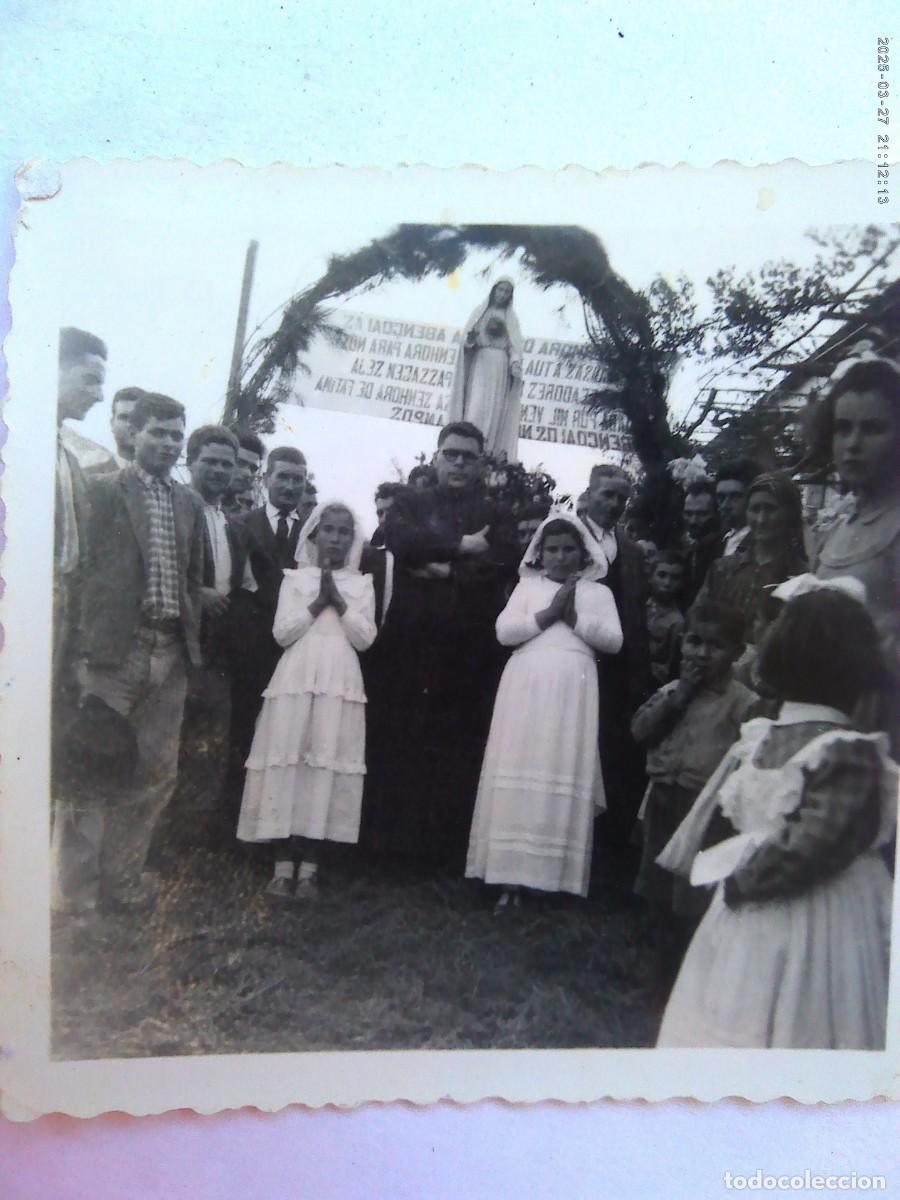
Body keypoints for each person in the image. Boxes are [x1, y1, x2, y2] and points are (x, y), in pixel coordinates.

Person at [655, 584, 897, 1049]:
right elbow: (813, 845)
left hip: (761, 905)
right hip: (817, 916)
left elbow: (803, 838)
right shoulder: (843, 750)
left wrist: (740, 880)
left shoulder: (768, 739)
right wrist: (744, 880)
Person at [58, 392, 205, 912]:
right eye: (157, 432)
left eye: (175, 434)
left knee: (154, 773)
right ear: (133, 435)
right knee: (92, 769)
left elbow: (192, 580)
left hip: (169, 652)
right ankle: (76, 897)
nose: (167, 443)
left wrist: (186, 645)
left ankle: (122, 883)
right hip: (114, 653)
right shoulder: (102, 492)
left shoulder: (188, 503)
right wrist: (81, 651)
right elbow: (76, 578)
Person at [367, 421, 520, 870]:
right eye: (451, 453)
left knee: (456, 743)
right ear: (435, 457)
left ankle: (446, 850)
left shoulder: (497, 511)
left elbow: (499, 563)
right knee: (400, 738)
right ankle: (389, 848)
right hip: (410, 644)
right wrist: (461, 545)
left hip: (468, 647)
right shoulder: (410, 502)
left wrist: (445, 571)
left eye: (468, 456)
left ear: (480, 463)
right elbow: (399, 540)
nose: (458, 462)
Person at [466, 514, 622, 908]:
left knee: (560, 765)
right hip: (526, 684)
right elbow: (505, 632)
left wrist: (573, 618)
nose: (560, 556)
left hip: (574, 686)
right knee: (520, 767)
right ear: (540, 552)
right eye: (552, 549)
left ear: (583, 552)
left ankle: (550, 879)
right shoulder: (526, 587)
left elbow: (614, 641)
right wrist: (548, 615)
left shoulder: (598, 594)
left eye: (569, 549)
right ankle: (508, 879)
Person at [237, 502, 376, 899]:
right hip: (297, 675)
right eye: (327, 530)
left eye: (343, 531)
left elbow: (365, 639)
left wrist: (339, 601)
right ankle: (282, 867)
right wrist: (317, 602)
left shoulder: (362, 584)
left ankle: (311, 868)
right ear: (313, 536)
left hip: (339, 677)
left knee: (324, 760)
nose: (335, 537)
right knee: (290, 757)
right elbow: (282, 634)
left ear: (353, 538)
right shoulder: (294, 580)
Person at [631, 601, 756, 988]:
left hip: (705, 809)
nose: (701, 654)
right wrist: (680, 694)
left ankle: (694, 979)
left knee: (693, 897)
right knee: (658, 890)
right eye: (694, 642)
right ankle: (661, 975)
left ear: (737, 653)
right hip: (664, 799)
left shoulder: (743, 703)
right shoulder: (673, 691)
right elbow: (640, 731)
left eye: (715, 646)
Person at [166, 425, 249, 847]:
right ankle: (155, 843)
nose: (218, 470)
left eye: (226, 464)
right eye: (210, 461)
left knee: (207, 749)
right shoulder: (175, 507)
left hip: (218, 656)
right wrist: (197, 594)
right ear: (190, 461)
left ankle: (189, 842)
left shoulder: (231, 523)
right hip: (178, 649)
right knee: (169, 747)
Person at [812, 357, 900, 746]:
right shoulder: (837, 527)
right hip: (825, 718)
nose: (853, 444)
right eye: (843, 428)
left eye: (873, 428)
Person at [581, 463, 653, 845]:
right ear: (589, 493)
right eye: (607, 494)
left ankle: (605, 845)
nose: (614, 503)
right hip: (576, 661)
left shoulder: (631, 550)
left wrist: (637, 676)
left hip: (617, 670)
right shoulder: (567, 536)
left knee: (610, 753)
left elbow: (637, 617)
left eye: (621, 497)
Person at [229, 446, 309, 765]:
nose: (290, 486)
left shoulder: (312, 532)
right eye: (283, 477)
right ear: (267, 479)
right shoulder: (241, 524)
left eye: (297, 479)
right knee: (243, 733)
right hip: (250, 649)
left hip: (293, 650)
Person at [700, 472, 807, 635]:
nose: (761, 519)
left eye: (770, 509)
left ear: (789, 513)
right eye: (755, 509)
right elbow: (700, 618)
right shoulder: (723, 569)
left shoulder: (800, 577)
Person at [448, 278, 524, 463]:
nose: (503, 294)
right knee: (477, 406)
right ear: (493, 291)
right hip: (480, 365)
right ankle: (470, 447)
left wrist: (514, 362)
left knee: (495, 409)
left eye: (507, 292)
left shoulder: (511, 318)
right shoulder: (480, 313)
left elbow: (515, 346)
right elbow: (466, 343)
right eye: (500, 290)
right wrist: (471, 339)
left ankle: (489, 453)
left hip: (500, 366)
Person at [646, 550, 686, 686]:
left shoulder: (677, 623)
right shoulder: (636, 606)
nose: (667, 583)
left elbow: (669, 669)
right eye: (662, 575)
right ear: (651, 577)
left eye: (674, 578)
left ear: (681, 583)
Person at [678, 479, 720, 607]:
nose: (693, 521)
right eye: (688, 513)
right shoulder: (685, 547)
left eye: (702, 514)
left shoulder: (721, 548)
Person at [714, 457, 759, 557]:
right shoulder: (715, 543)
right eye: (721, 498)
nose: (725, 505)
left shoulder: (761, 543)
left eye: (734, 497)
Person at [223, 429, 265, 515]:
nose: (248, 473)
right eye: (240, 463)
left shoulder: (243, 515)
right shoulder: (192, 503)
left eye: (253, 469)